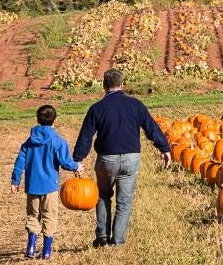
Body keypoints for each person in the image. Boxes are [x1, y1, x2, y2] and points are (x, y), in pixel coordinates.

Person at [73, 69, 171, 247]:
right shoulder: (135, 105)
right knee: (124, 202)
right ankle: (118, 241)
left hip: (107, 159)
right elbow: (151, 128)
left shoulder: (96, 108)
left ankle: (102, 236)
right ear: (122, 85)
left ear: (104, 86)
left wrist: (78, 159)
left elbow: (86, 136)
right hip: (131, 158)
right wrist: (164, 148)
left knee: (102, 196)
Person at [11, 104, 80, 260]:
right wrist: (77, 167)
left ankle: (30, 248)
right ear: (55, 120)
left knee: (32, 215)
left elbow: (19, 162)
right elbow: (65, 162)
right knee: (49, 215)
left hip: (32, 186)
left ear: (37, 120)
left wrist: (15, 180)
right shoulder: (57, 141)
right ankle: (47, 251)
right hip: (50, 186)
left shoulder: (29, 142)